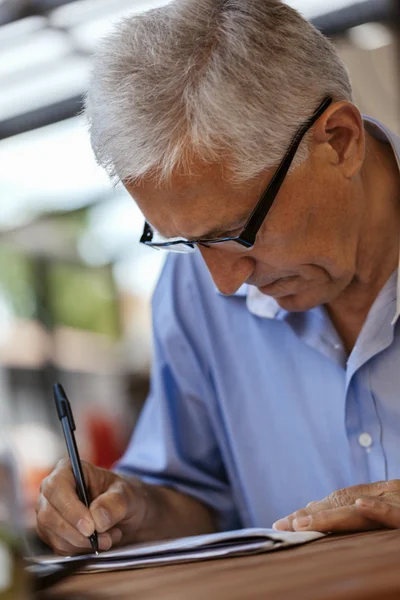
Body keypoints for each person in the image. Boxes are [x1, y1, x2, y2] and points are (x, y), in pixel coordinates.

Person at [36, 0, 400, 556]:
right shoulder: (190, 293)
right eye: (187, 243)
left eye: (236, 231)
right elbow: (201, 496)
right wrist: (135, 511)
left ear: (340, 141)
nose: (224, 285)